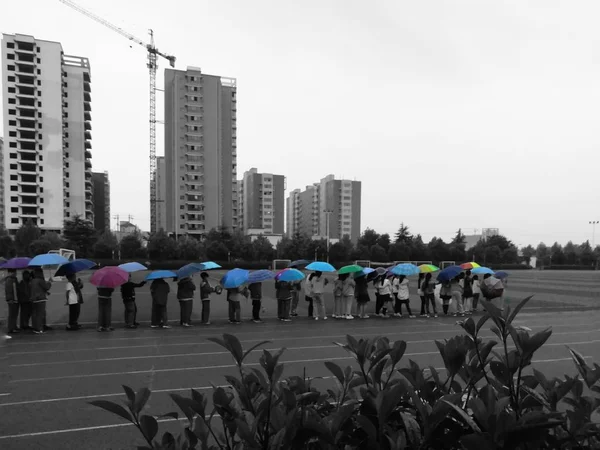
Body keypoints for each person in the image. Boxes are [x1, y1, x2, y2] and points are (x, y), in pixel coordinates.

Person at [30, 268, 52, 334]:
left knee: (35, 314)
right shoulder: (40, 280)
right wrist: (49, 282)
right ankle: (39, 328)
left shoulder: (33, 281)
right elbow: (46, 287)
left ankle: (35, 327)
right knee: (40, 314)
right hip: (40, 299)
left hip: (34, 299)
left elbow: (38, 289)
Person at [5, 269, 20, 334]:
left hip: (14, 299)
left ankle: (13, 326)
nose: (15, 273)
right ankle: (11, 328)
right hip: (12, 300)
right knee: (12, 315)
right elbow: (9, 291)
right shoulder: (10, 280)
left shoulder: (13, 279)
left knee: (14, 314)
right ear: (11, 272)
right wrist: (10, 299)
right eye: (14, 272)